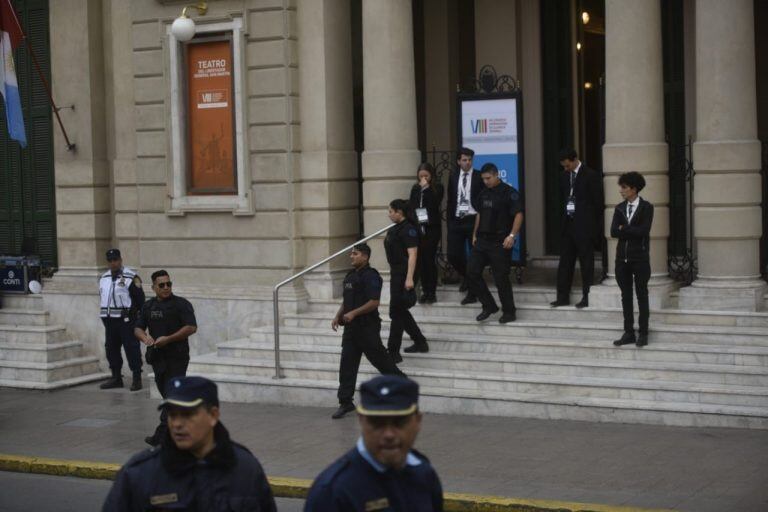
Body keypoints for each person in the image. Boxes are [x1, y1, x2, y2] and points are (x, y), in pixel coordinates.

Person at [102, 376, 276, 512]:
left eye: (187, 414)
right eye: (172, 415)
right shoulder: (139, 473)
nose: (177, 424)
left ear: (213, 415)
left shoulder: (245, 469)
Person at [305, 375, 443, 512]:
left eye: (399, 422)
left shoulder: (423, 473)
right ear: (361, 420)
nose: (389, 434)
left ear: (418, 421)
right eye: (377, 423)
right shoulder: (332, 492)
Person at [332, 244, 406, 420]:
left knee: (380, 360)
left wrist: (354, 313)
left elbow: (374, 302)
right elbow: (346, 301)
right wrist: (338, 316)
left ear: (365, 257)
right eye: (351, 253)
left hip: (367, 327)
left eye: (355, 254)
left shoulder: (372, 276)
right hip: (350, 329)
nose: (351, 256)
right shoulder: (350, 276)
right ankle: (345, 402)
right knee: (347, 364)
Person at [134, 270, 198, 446]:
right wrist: (145, 338)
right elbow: (137, 328)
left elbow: (191, 327)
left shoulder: (181, 304)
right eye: (161, 285)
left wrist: (168, 339)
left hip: (177, 357)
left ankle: (161, 435)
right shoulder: (148, 306)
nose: (166, 288)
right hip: (158, 358)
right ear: (153, 287)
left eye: (169, 284)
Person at [467, 163, 524, 324]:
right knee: (471, 272)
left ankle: (509, 311)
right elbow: (479, 213)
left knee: (501, 278)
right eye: (483, 178)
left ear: (496, 175)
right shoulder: (483, 193)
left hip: (500, 241)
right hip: (482, 240)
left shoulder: (509, 192)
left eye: (488, 178)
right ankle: (489, 305)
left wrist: (512, 235)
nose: (485, 181)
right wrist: (474, 234)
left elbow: (518, 214)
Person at [551, 148, 604, 309]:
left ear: (574, 160)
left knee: (586, 262)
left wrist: (594, 228)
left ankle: (586, 297)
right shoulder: (563, 176)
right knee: (565, 262)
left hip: (585, 226)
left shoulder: (591, 175)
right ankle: (562, 297)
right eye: (563, 167)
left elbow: (598, 203)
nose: (566, 169)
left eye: (567, 165)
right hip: (568, 224)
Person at [610, 172, 654, 347]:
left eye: (624, 187)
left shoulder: (647, 207)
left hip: (640, 258)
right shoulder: (619, 208)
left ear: (634, 189)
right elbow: (613, 231)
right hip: (622, 259)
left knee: (642, 294)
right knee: (625, 296)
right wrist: (629, 229)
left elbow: (643, 231)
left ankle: (643, 332)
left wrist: (624, 228)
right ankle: (629, 332)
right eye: (621, 187)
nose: (621, 190)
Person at [385, 199, 429, 362]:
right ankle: (420, 341)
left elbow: (413, 255)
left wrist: (410, 278)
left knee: (396, 312)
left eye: (391, 211)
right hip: (396, 272)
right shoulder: (396, 229)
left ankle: (393, 352)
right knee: (398, 311)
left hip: (404, 274)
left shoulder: (409, 230)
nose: (389, 214)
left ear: (399, 212)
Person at [98, 248, 144, 391]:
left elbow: (140, 300)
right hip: (109, 320)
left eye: (116, 260)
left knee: (131, 349)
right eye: (110, 261)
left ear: (120, 260)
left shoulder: (131, 277)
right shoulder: (103, 278)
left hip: (126, 320)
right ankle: (116, 377)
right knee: (111, 349)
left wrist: (134, 316)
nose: (113, 263)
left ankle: (137, 378)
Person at [446, 147, 483, 305]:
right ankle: (468, 278)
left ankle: (472, 293)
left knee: (474, 259)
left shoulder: (479, 176)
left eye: (470, 160)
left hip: (473, 219)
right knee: (453, 255)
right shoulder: (453, 176)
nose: (467, 163)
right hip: (457, 220)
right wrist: (449, 221)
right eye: (464, 160)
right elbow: (450, 199)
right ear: (458, 161)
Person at [409, 162, 444, 304]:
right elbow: (412, 206)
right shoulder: (415, 188)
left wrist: (427, 189)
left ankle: (432, 291)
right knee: (421, 261)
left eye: (426, 176)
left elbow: (434, 204)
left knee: (429, 260)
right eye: (421, 175)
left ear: (431, 176)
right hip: (419, 228)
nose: (423, 178)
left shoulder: (437, 188)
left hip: (431, 228)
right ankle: (424, 290)